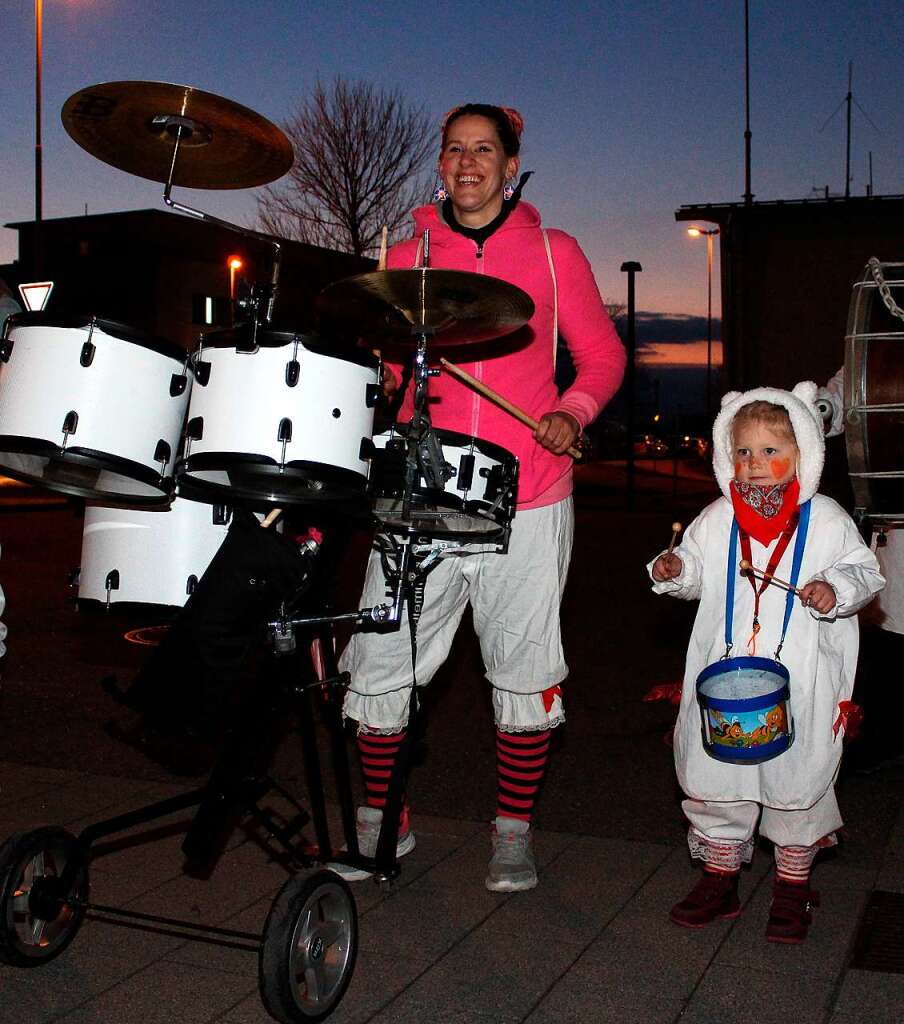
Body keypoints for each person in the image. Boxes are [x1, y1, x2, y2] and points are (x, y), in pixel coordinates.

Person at [337, 103, 625, 891]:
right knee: (380, 663)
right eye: (454, 150)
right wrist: (387, 377)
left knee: (523, 672)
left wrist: (572, 412)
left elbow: (601, 356)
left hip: (528, 493)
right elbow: (391, 368)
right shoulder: (404, 254)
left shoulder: (556, 252)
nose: (467, 163)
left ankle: (511, 833)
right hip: (419, 490)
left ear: (509, 166)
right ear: (441, 164)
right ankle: (382, 825)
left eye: (484, 151)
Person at [649, 383, 883, 943]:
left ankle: (792, 886)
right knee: (717, 774)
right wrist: (673, 569)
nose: (756, 465)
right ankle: (720, 877)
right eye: (744, 452)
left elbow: (865, 570)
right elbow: (696, 567)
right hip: (726, 671)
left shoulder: (825, 518)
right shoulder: (718, 515)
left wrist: (836, 587)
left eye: (771, 451)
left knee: (797, 775)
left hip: (800, 677)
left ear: (803, 451)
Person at [817, 368, 904, 772]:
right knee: (889, 630)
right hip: (896, 516)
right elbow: (853, 385)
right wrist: (818, 409)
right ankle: (882, 737)